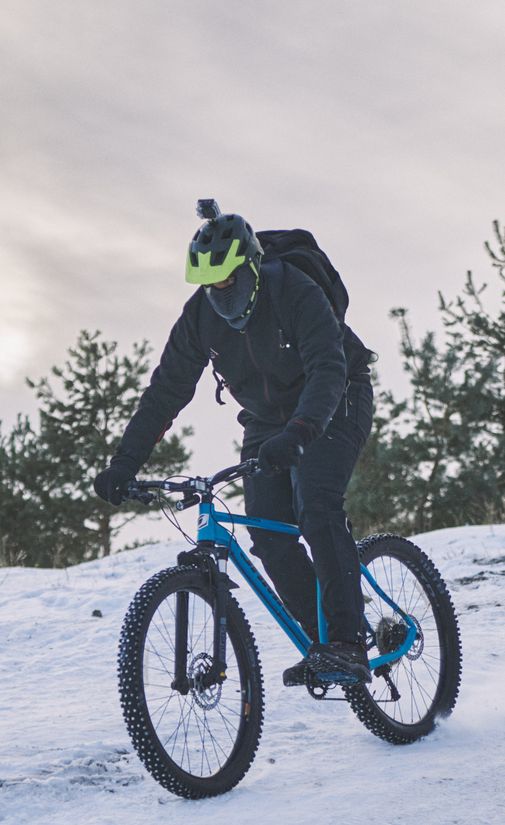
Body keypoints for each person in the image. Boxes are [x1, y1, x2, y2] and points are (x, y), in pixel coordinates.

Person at [93, 201, 375, 685]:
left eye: (227, 280)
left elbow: (328, 366)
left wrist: (303, 431)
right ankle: (322, 642)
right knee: (267, 533)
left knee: (316, 504)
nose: (219, 293)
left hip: (335, 399)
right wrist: (124, 463)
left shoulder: (294, 291)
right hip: (268, 422)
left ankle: (348, 644)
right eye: (209, 284)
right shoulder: (200, 316)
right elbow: (165, 393)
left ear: (249, 268)